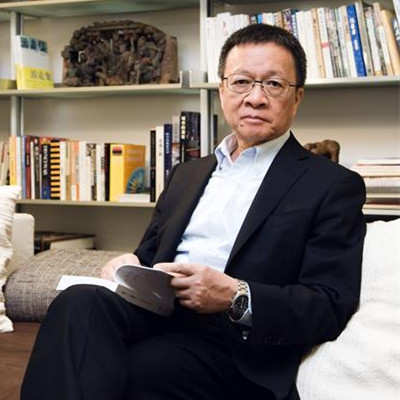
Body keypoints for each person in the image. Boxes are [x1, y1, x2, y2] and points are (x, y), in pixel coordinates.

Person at [21, 23, 366, 400]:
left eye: (273, 84)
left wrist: (235, 295)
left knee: (137, 367)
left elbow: (330, 303)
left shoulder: (331, 184)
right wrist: (127, 265)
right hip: (158, 314)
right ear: (222, 90)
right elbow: (148, 258)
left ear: (297, 97)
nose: (255, 98)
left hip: (235, 344)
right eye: (241, 82)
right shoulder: (188, 173)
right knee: (80, 301)